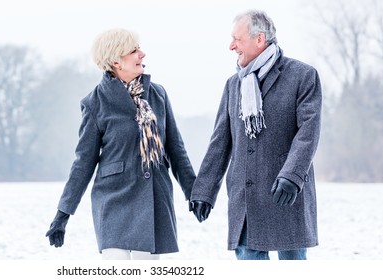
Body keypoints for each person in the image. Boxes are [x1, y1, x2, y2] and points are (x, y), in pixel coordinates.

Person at [45, 28, 196, 260]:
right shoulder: (95, 102)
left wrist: (194, 193)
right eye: (134, 51)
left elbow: (176, 150)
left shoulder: (157, 95)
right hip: (114, 200)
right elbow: (83, 163)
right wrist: (62, 214)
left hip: (153, 198)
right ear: (115, 60)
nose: (142, 54)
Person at [190, 10, 322, 260]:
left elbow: (308, 133)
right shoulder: (234, 84)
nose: (231, 46)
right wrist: (204, 191)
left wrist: (292, 176)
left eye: (237, 39)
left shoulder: (302, 76)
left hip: (286, 194)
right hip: (246, 199)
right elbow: (220, 141)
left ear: (259, 39)